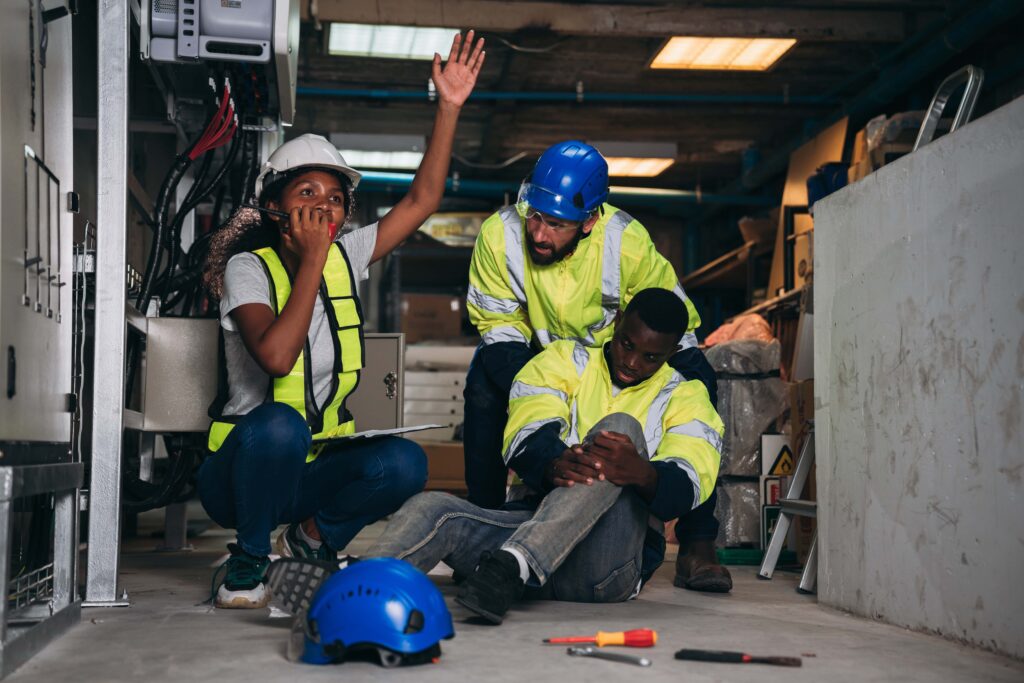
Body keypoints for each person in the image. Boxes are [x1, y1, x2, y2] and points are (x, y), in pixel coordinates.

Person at [198, 31, 485, 609]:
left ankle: (310, 542)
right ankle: (250, 558)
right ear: (275, 208)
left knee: (404, 463)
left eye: (334, 199)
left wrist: (448, 107)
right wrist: (309, 262)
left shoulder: (344, 255)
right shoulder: (247, 270)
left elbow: (421, 201)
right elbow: (278, 357)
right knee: (281, 423)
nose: (325, 207)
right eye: (308, 192)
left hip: (310, 471)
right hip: (242, 475)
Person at [463, 140, 731, 592]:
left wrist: (676, 382)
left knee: (701, 382)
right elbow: (498, 324)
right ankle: (486, 520)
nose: (539, 235)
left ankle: (697, 542)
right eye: (535, 216)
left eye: (556, 224)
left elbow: (668, 321)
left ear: (590, 220)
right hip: (538, 356)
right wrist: (543, 414)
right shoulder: (498, 234)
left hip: (611, 358)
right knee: (483, 389)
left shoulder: (627, 241)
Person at [368, 288, 723, 623]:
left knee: (620, 429)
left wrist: (642, 473)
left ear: (673, 352)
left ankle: (517, 563)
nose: (631, 362)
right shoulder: (565, 360)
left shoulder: (687, 397)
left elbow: (691, 481)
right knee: (432, 509)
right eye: (626, 344)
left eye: (650, 357)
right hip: (517, 538)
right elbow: (527, 422)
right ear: (616, 324)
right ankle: (359, 584)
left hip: (602, 568)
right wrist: (552, 461)